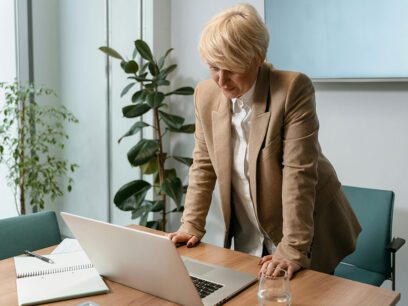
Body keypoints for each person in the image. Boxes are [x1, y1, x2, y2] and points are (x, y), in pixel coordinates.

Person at [168, 3, 361, 279]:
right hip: (251, 232)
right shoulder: (205, 93)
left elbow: (299, 174)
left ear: (257, 57)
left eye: (231, 68)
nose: (221, 80)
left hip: (307, 231)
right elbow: (203, 163)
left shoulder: (292, 89)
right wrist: (190, 224)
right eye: (213, 67)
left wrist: (293, 248)